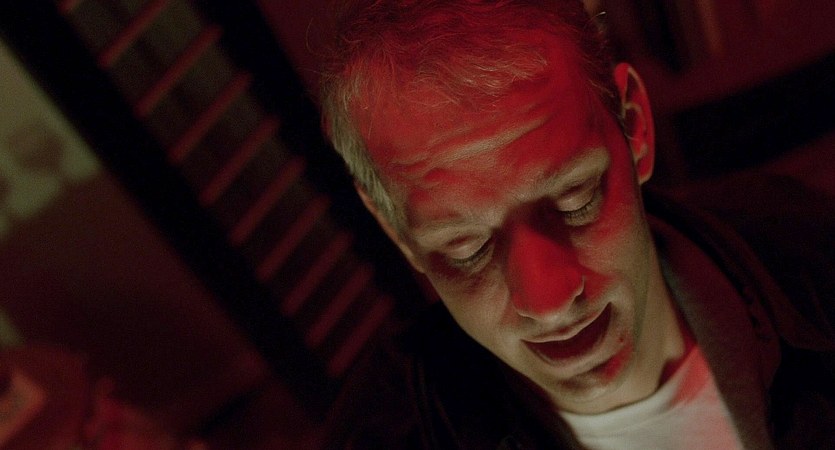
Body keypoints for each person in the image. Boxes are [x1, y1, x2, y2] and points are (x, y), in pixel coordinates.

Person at [317, 1, 835, 448]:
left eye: (575, 200)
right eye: (466, 248)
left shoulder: (807, 246)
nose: (549, 302)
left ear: (634, 127)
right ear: (395, 230)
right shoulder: (382, 433)